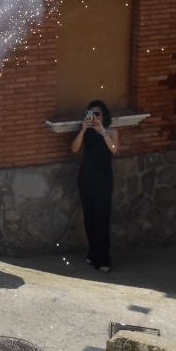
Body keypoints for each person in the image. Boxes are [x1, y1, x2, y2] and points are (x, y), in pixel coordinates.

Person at [72, 99, 118, 273]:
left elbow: (114, 149)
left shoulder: (111, 132)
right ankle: (92, 253)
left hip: (104, 180)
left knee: (102, 218)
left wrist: (102, 131)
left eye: (97, 113)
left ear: (104, 115)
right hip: (86, 178)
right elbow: (75, 149)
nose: (95, 117)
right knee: (89, 217)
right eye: (91, 113)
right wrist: (84, 129)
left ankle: (103, 259)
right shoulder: (87, 132)